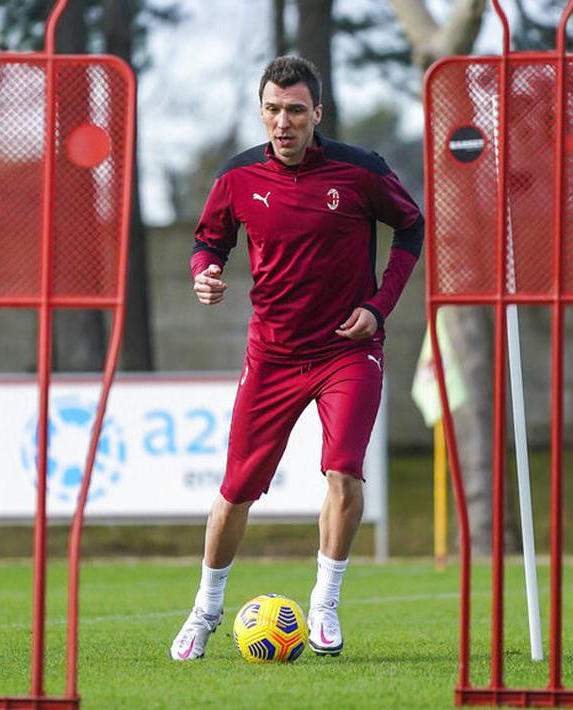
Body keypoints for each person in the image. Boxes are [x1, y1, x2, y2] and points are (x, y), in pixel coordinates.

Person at [169, 56, 423, 661]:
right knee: (235, 489)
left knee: (344, 471)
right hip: (273, 355)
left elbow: (411, 227)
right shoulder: (236, 177)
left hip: (347, 350)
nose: (283, 122)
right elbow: (209, 239)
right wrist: (205, 271)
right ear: (261, 112)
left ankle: (325, 604)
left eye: (295, 111)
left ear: (317, 114)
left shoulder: (361, 171)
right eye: (273, 110)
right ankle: (205, 611)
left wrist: (379, 306)